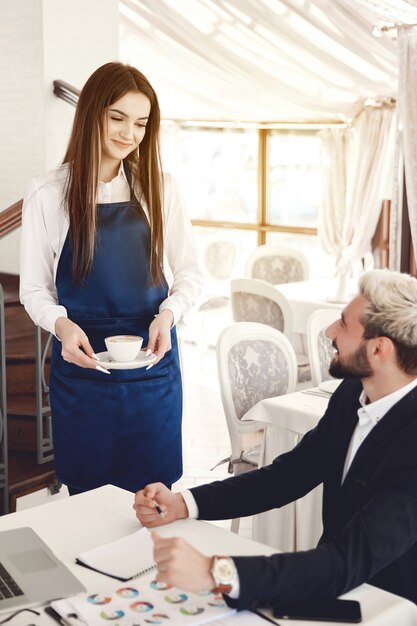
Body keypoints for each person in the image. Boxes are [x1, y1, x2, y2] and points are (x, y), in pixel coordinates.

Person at [134, 269, 417, 609]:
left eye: (342, 324)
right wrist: (186, 503)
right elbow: (287, 476)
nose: (329, 331)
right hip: (330, 587)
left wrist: (215, 572)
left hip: (392, 605)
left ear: (379, 349)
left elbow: (344, 561)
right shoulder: (352, 392)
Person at [20, 62, 202, 495]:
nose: (129, 133)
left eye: (140, 123)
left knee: (155, 502)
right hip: (83, 367)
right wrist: (61, 327)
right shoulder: (47, 193)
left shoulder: (160, 187)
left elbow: (191, 273)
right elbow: (34, 289)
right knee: (86, 500)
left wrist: (169, 316)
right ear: (90, 114)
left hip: (152, 364)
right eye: (117, 117)